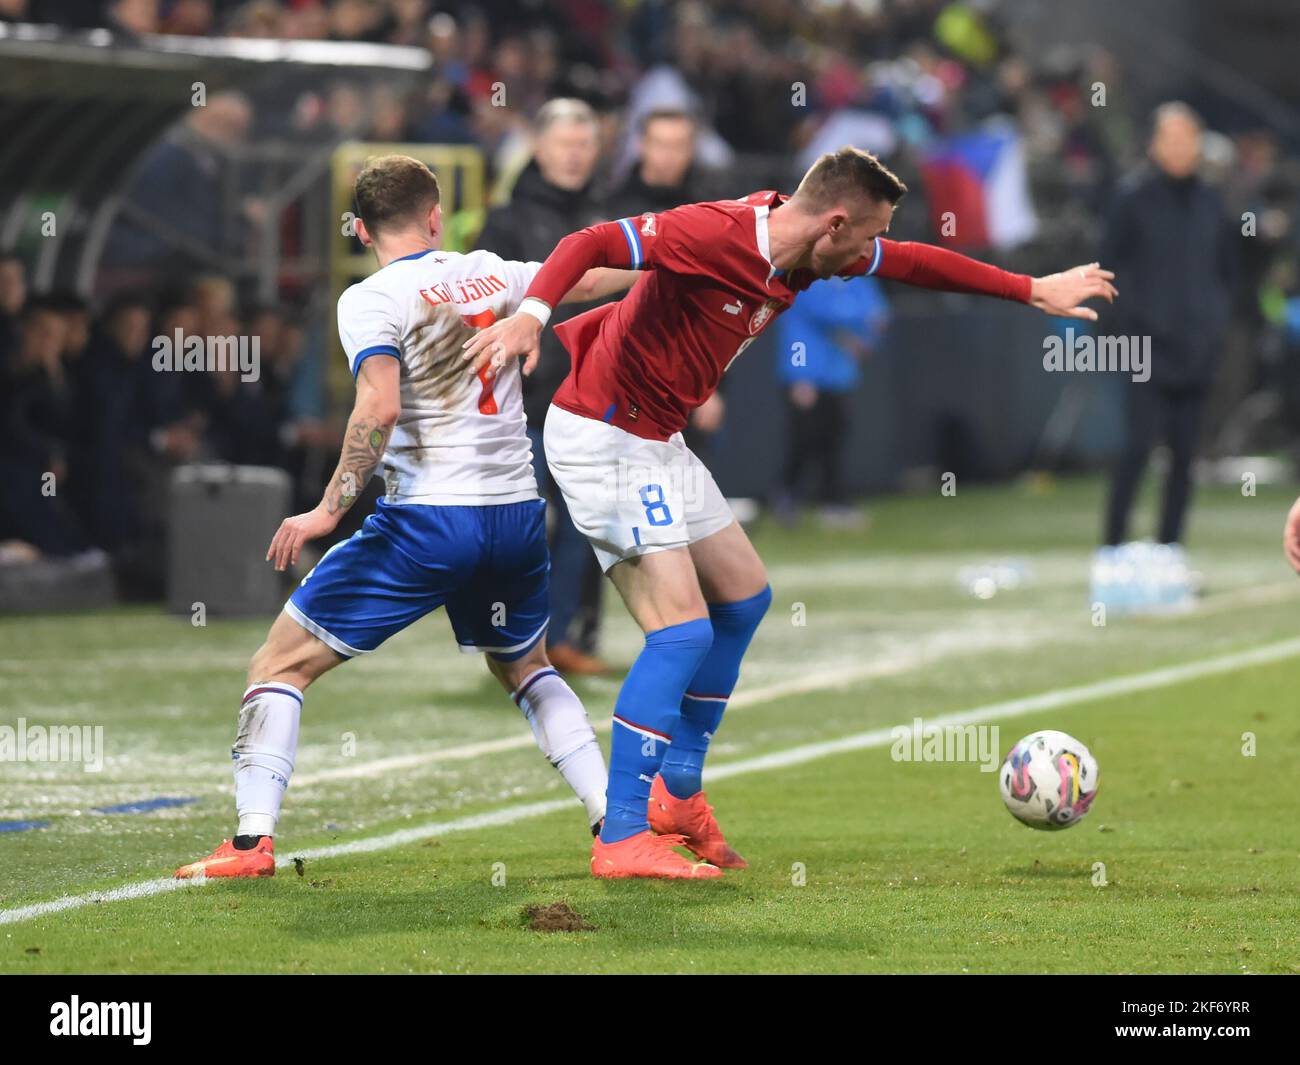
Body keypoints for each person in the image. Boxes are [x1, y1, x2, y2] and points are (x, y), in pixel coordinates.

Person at [464, 146, 1115, 879]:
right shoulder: (715, 233)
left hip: (653, 436)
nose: (872, 252)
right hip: (603, 431)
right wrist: (531, 315)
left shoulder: (808, 255)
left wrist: (1030, 289)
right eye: (866, 235)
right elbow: (589, 243)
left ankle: (676, 795)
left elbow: (915, 263)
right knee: (679, 634)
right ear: (834, 221)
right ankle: (620, 835)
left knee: (744, 595)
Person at [175, 155, 635, 879]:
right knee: (525, 666)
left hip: (428, 519)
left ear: (358, 228)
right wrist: (684, 257)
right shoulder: (495, 269)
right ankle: (617, 827)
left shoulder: (371, 297)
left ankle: (249, 844)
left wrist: (328, 509)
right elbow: (588, 273)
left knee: (279, 664)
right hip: (516, 514)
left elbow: (380, 407)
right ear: (435, 214)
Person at [476, 98, 612, 675]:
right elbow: (481, 306)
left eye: (584, 144)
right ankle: (510, 639)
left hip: (590, 400)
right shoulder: (506, 220)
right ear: (538, 146)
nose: (575, 155)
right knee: (520, 526)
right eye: (565, 143)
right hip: (522, 402)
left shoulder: (611, 216)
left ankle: (559, 641)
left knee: (587, 523)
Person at [1100, 102, 1236, 551]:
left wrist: (1214, 324)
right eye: (1171, 138)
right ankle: (1113, 549)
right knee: (1137, 448)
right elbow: (1108, 268)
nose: (1180, 148)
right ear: (1155, 144)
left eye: (1188, 139)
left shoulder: (1212, 200)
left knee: (1184, 457)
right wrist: (1123, 331)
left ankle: (1169, 549)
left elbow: (1225, 270)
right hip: (1143, 347)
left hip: (1196, 348)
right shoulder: (1131, 197)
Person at [773, 272, 890, 526]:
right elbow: (823, 311)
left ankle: (833, 502)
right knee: (803, 437)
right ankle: (787, 497)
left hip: (839, 371)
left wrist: (863, 333)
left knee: (835, 437)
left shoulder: (858, 272)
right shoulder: (804, 272)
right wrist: (800, 376)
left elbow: (879, 312)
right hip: (805, 368)